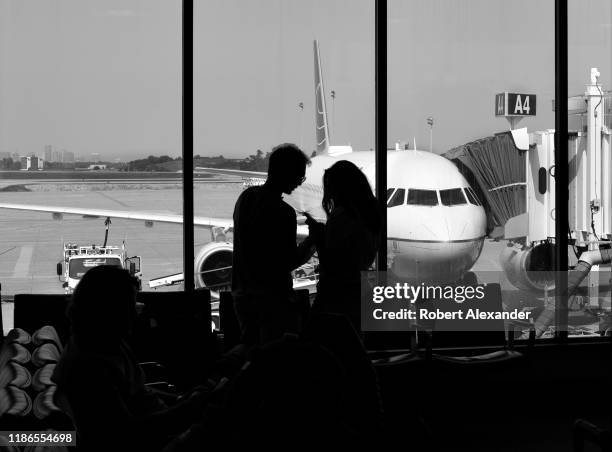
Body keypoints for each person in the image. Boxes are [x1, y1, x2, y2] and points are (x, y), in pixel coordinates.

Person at [51, 265, 210, 452]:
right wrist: (186, 411)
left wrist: (181, 400)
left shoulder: (107, 343)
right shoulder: (90, 368)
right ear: (109, 312)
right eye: (129, 307)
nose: (135, 314)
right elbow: (127, 434)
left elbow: (137, 392)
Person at [231, 143, 314, 345]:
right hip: (272, 300)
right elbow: (288, 261)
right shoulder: (283, 212)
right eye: (299, 177)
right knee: (276, 358)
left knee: (252, 353)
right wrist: (313, 240)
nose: (299, 183)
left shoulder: (246, 198)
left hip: (242, 295)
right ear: (287, 173)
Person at [306, 160, 381, 330]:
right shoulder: (372, 213)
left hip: (337, 294)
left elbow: (333, 263)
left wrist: (318, 238)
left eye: (331, 188)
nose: (329, 193)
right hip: (360, 289)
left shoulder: (342, 215)